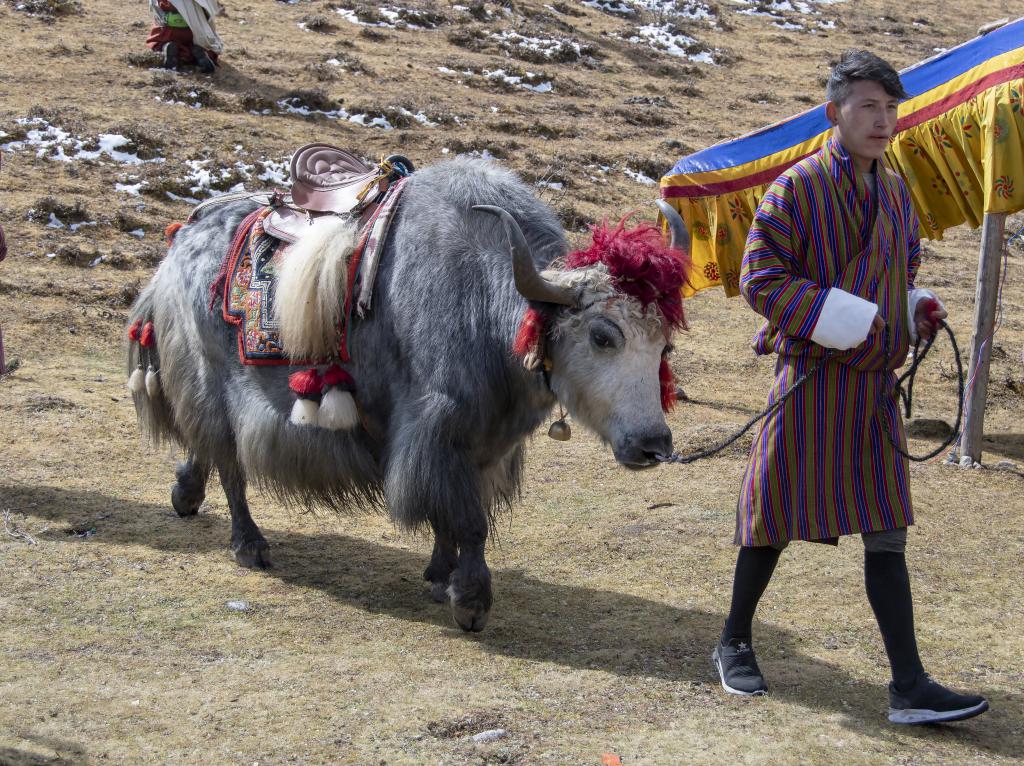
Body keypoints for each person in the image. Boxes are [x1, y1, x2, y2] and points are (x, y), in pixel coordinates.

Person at [712, 50, 989, 725]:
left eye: (891, 109)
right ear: (835, 112)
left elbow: (900, 270)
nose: (883, 121)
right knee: (772, 515)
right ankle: (734, 641)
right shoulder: (796, 189)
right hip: (811, 379)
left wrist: (914, 304)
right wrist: (847, 317)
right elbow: (760, 279)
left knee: (887, 527)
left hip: (872, 389)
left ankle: (909, 687)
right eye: (869, 107)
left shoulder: (895, 193)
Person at [147, 0, 224, 74]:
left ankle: (167, 47)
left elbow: (157, 8)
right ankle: (200, 52)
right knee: (205, 43)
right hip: (193, 31)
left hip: (169, 31)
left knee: (157, 41)